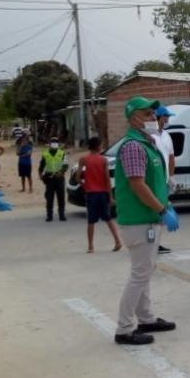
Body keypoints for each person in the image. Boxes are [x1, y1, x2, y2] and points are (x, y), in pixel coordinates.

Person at [113, 97, 180, 346]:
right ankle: (124, 328)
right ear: (133, 119)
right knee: (140, 273)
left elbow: (153, 183)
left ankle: (146, 318)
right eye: (147, 114)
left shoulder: (147, 143)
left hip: (149, 218)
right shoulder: (133, 146)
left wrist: (166, 205)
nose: (153, 118)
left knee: (145, 270)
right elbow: (137, 185)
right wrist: (162, 209)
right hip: (139, 220)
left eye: (153, 114)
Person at [78, 136, 122, 253]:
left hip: (91, 194)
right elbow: (107, 179)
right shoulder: (103, 160)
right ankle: (117, 241)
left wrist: (85, 186)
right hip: (102, 193)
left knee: (91, 221)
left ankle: (91, 246)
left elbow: (78, 178)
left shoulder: (83, 159)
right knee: (108, 218)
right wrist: (111, 196)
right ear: (98, 146)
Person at [151, 107, 177, 254]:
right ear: (160, 117)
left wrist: (172, 176)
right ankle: (152, 242)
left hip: (165, 181)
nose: (168, 119)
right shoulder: (151, 136)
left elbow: (171, 157)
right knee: (155, 211)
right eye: (166, 117)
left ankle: (157, 242)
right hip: (154, 180)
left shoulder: (167, 136)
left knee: (161, 213)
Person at [39, 136, 68, 222]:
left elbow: (65, 165)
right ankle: (49, 215)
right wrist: (40, 174)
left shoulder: (62, 153)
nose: (54, 144)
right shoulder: (45, 153)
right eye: (53, 142)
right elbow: (42, 165)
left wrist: (62, 172)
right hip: (49, 177)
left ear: (58, 144)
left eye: (55, 142)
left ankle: (62, 215)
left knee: (61, 197)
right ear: (50, 144)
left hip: (59, 177)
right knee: (49, 197)